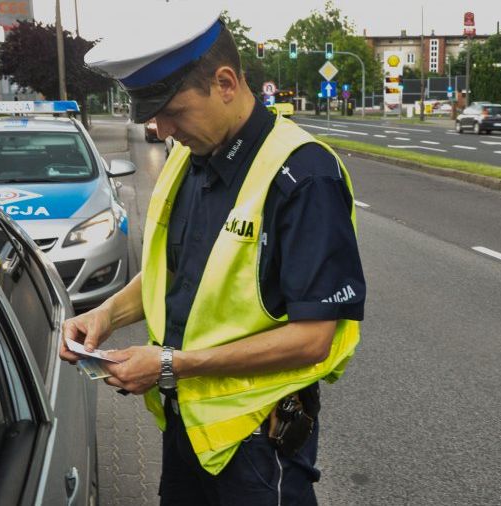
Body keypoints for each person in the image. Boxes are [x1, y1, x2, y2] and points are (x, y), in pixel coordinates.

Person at [61, 5, 365, 505]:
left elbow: (313, 338)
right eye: (153, 116)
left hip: (260, 448)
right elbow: (178, 273)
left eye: (172, 112)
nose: (160, 131)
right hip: (189, 433)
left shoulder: (305, 176)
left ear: (225, 83)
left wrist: (169, 366)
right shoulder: (192, 156)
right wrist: (105, 315)